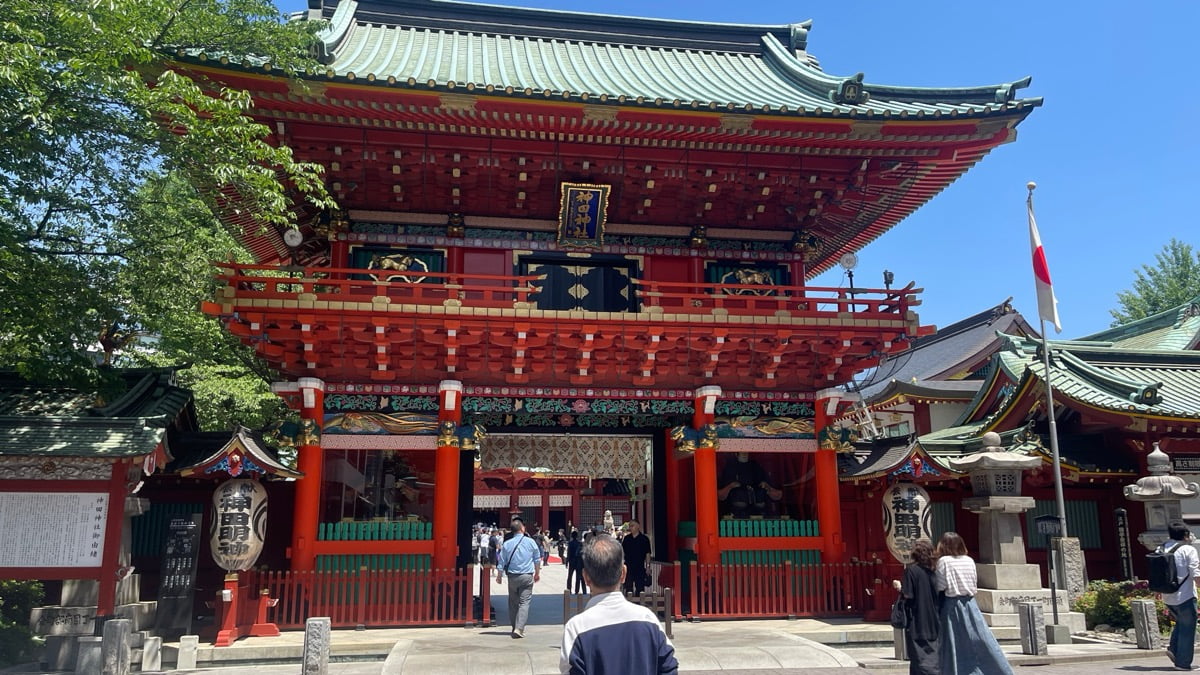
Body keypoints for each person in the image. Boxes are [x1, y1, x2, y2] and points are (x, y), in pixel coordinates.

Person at [559, 535, 678, 675]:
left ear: (586, 577)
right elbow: (669, 667)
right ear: (623, 573)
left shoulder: (576, 628)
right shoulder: (648, 619)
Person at [934, 531, 1011, 675]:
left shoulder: (944, 561)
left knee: (953, 642)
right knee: (980, 639)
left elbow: (941, 586)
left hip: (952, 604)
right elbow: (974, 581)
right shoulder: (969, 560)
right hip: (970, 603)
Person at [896, 540, 940, 675]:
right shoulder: (935, 571)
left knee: (918, 656)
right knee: (934, 653)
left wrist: (899, 587)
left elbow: (908, 595)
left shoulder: (911, 571)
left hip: (917, 618)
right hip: (935, 617)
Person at [1162, 520, 1200, 670]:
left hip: (1167, 596)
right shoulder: (1188, 550)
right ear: (1185, 535)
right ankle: (1183, 663)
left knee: (1182, 623)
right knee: (1188, 629)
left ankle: (1174, 649)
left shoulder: (1162, 548)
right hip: (1184, 595)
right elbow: (1196, 573)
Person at [495, 517, 542, 638]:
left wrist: (499, 576)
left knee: (513, 603)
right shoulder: (530, 542)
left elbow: (501, 561)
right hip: (526, 575)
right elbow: (537, 559)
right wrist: (537, 573)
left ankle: (514, 626)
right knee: (524, 602)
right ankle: (519, 628)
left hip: (512, 576)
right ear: (522, 528)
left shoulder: (506, 544)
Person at [717, 452, 783, 518]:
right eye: (742, 453)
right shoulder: (731, 467)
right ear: (736, 454)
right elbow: (721, 493)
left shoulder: (755, 465)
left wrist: (765, 485)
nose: (744, 455)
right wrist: (731, 486)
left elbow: (769, 487)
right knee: (739, 493)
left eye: (746, 453)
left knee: (760, 493)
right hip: (737, 509)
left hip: (758, 508)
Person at [622, 520, 652, 596]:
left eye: (633, 525)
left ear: (638, 526)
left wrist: (648, 566)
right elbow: (622, 553)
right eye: (630, 526)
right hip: (628, 567)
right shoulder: (626, 539)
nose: (631, 528)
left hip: (640, 567)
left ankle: (639, 604)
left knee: (640, 588)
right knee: (628, 588)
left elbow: (647, 554)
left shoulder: (644, 539)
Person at [566, 530, 587, 594]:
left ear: (572, 536)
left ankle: (569, 589)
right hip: (578, 561)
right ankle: (576, 590)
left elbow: (568, 553)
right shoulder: (579, 543)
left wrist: (567, 561)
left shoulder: (570, 543)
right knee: (578, 577)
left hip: (571, 560)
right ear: (577, 536)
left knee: (570, 576)